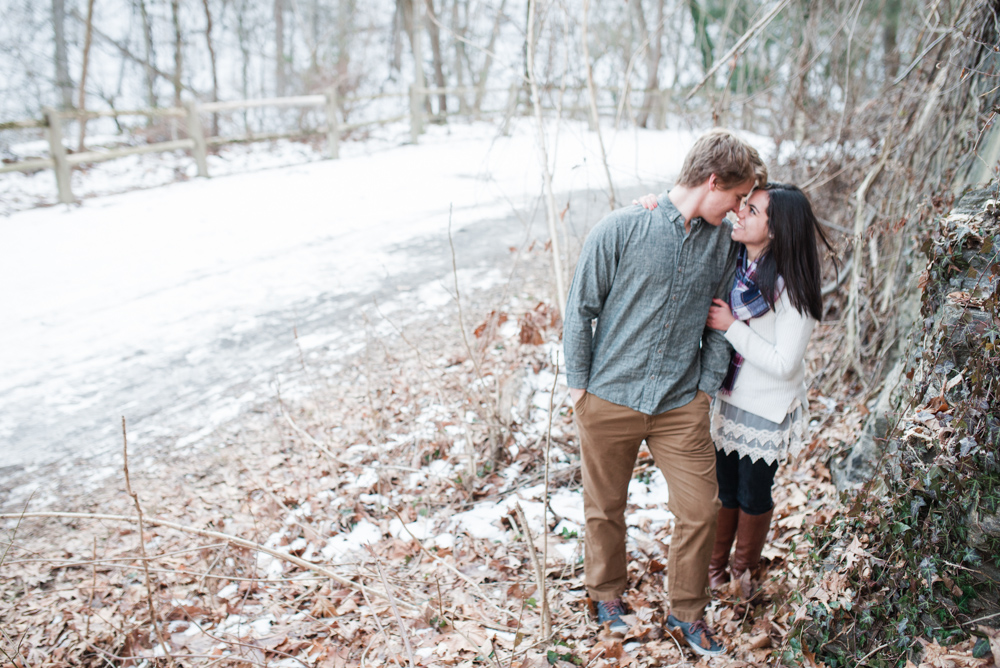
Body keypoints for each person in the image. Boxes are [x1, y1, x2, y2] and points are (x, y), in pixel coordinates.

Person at [563, 128, 766, 658]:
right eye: (737, 196)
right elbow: (579, 308)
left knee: (701, 509)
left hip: (680, 405)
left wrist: (703, 389)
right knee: (604, 508)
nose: (740, 208)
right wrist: (580, 389)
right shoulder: (622, 227)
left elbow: (719, 321)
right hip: (609, 396)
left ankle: (686, 615)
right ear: (713, 180)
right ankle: (606, 597)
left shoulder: (724, 243)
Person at [636, 182, 830, 597]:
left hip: (765, 410)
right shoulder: (736, 257)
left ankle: (741, 574)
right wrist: (651, 202)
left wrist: (731, 327)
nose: (740, 214)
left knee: (751, 493)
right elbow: (691, 204)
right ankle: (713, 570)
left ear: (776, 230)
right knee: (722, 489)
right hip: (727, 401)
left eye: (753, 212)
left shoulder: (791, 288)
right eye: (744, 206)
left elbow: (784, 363)